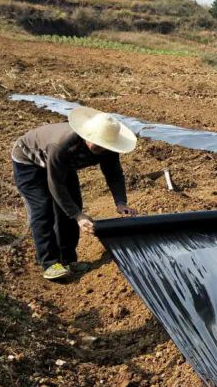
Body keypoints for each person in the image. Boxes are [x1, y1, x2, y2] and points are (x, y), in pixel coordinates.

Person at [12, 107, 138, 281]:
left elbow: (114, 174)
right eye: (97, 144)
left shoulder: (108, 148)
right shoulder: (62, 144)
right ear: (87, 135)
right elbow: (55, 183)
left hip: (63, 166)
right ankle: (50, 263)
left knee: (73, 205)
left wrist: (121, 202)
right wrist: (78, 216)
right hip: (29, 161)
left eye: (105, 146)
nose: (101, 149)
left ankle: (68, 259)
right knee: (43, 208)